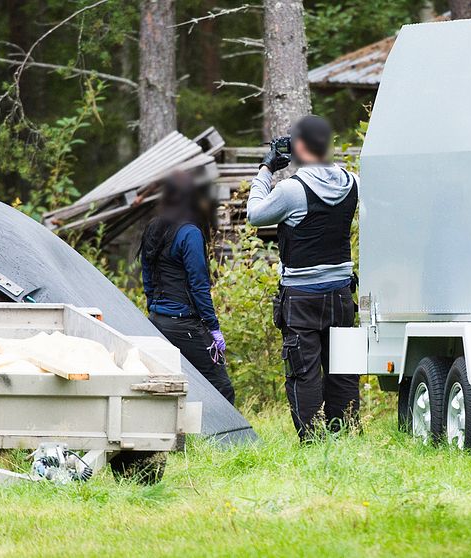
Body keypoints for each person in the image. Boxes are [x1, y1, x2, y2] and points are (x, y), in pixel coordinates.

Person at [247, 115, 360, 440]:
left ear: (298, 147)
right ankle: (345, 433)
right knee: (342, 369)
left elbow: (255, 214)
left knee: (304, 372)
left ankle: (313, 440)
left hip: (300, 297)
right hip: (341, 294)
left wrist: (266, 169)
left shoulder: (290, 190)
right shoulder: (353, 182)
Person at [141, 172, 235, 404]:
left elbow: (147, 277)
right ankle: (225, 440)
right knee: (222, 387)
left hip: (157, 321)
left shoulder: (153, 227)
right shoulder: (190, 233)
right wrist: (213, 328)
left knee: (170, 384)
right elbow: (199, 285)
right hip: (186, 324)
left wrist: (154, 308)